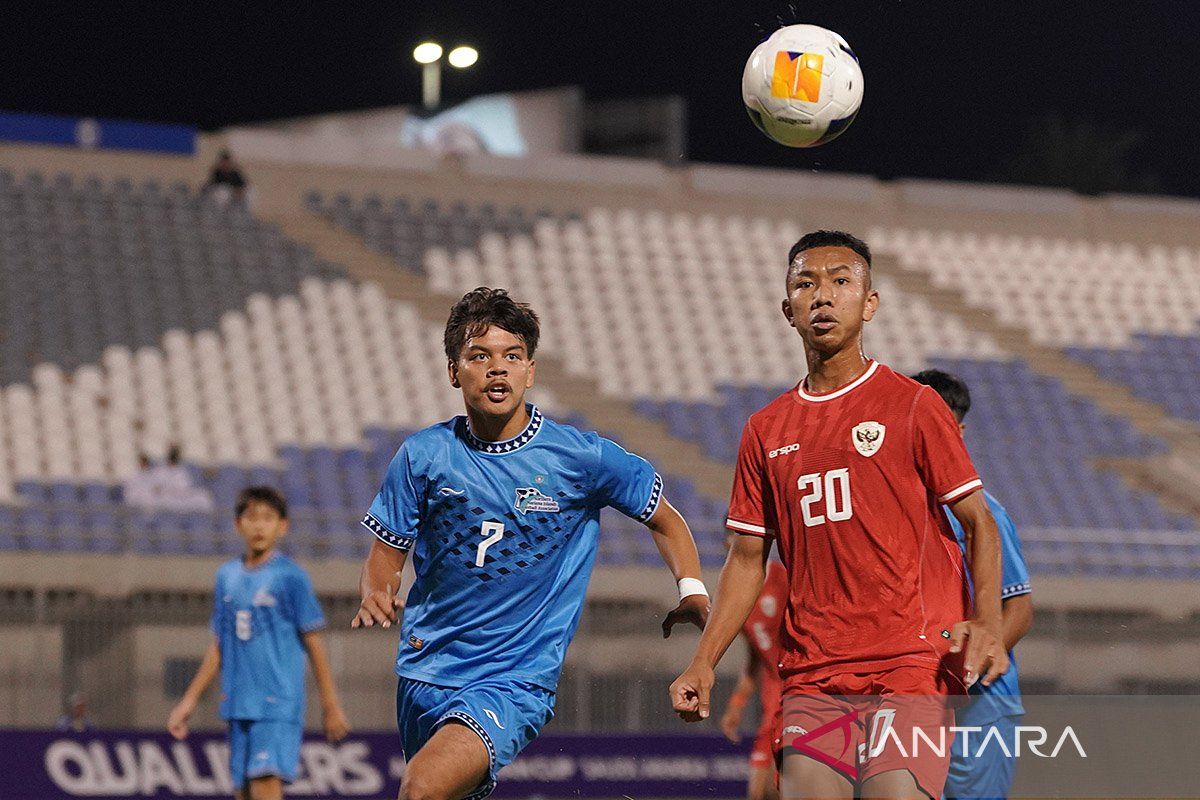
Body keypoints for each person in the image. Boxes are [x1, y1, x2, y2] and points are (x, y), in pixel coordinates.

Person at [670, 230, 1008, 800]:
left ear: (869, 304)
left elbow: (980, 523)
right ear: (788, 310)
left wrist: (991, 624)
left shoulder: (915, 406)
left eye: (840, 282)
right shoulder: (765, 429)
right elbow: (748, 559)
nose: (822, 296)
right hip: (813, 673)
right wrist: (704, 661)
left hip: (912, 663)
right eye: (806, 284)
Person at [352, 287, 710, 800]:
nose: (498, 369)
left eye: (512, 356)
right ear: (454, 372)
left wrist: (692, 588)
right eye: (479, 356)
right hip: (424, 668)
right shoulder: (423, 455)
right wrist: (378, 590)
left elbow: (666, 518)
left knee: (422, 788)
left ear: (530, 370)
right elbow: (386, 554)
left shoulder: (580, 458)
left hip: (513, 677)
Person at [167, 486, 350, 800]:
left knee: (266, 786)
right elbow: (219, 645)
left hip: (277, 702)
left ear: (283, 526)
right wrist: (189, 700)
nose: (259, 525)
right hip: (239, 704)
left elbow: (314, 642)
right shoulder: (226, 576)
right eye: (251, 518)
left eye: (268, 518)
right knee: (244, 793)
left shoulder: (290, 577)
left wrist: (330, 705)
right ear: (238, 525)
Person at [912, 369, 1033, 800]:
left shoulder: (986, 517)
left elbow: (1017, 608)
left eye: (936, 426)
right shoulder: (899, 512)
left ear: (957, 432)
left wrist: (968, 669)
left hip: (979, 705)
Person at [718, 539, 788, 800]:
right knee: (759, 791)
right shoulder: (737, 601)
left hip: (802, 687)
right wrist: (736, 704)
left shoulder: (784, 578)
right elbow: (756, 659)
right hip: (773, 693)